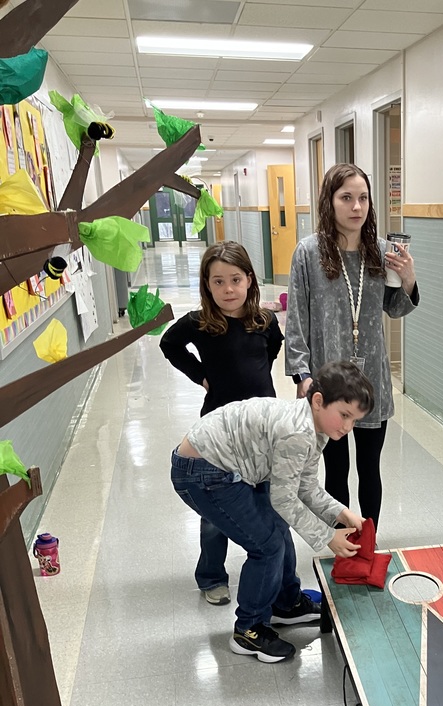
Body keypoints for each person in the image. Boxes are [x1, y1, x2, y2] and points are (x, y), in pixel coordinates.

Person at [170, 362, 371, 663]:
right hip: (203, 473)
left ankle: (286, 603)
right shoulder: (298, 433)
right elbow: (284, 499)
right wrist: (328, 536)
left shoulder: (315, 427)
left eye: (354, 421)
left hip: (224, 465)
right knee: (267, 545)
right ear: (318, 401)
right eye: (344, 415)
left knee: (277, 528)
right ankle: (248, 630)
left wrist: (342, 513)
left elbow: (304, 485)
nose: (347, 427)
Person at [284, 162, 419, 528]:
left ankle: (368, 539)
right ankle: (342, 541)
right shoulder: (308, 253)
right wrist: (302, 376)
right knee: (336, 469)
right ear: (330, 202)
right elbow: (296, 319)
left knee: (370, 469)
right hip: (327, 386)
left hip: (371, 380)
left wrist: (407, 279)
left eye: (363, 198)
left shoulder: (380, 252)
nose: (356, 207)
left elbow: (396, 308)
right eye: (346, 198)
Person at [160, 241, 284, 607]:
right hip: (217, 433)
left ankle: (263, 565)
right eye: (218, 282)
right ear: (207, 285)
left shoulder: (265, 320)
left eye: (235, 279)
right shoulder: (199, 323)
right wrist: (200, 376)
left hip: (262, 428)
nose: (228, 290)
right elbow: (169, 345)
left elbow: (272, 350)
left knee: (264, 501)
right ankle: (212, 574)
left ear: (249, 280)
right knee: (217, 511)